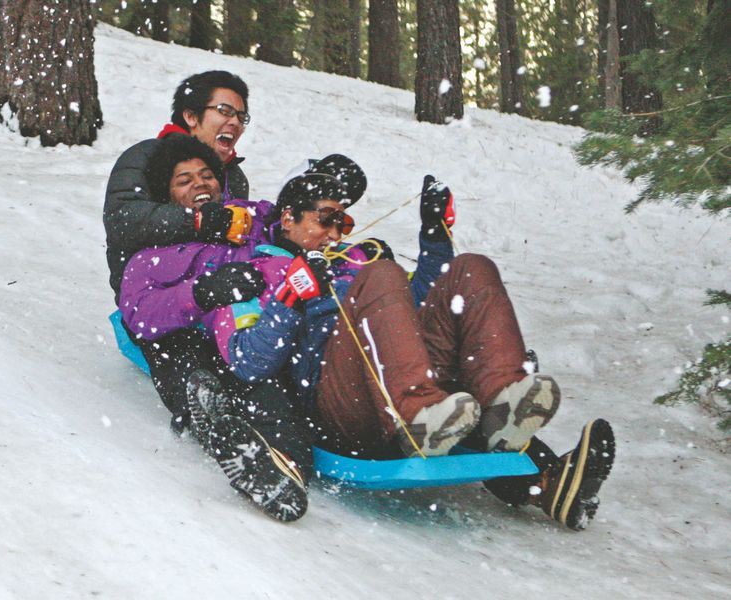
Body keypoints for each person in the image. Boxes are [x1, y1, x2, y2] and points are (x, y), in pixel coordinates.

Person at [209, 168, 616, 531]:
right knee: (382, 274)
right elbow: (246, 363)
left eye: (343, 220)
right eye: (326, 219)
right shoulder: (255, 270)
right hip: (339, 401)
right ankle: (418, 415)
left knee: (471, 269)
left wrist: (435, 237)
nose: (336, 232)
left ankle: (501, 405)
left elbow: (424, 302)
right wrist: (290, 296)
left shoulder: (354, 263)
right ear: (288, 218)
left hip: (406, 378)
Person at [118, 139, 370, 522]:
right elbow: (138, 311)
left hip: (271, 321)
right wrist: (202, 292)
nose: (200, 185)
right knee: (242, 378)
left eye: (206, 176)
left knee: (274, 365)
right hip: (215, 333)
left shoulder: (253, 221)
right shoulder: (160, 251)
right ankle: (275, 462)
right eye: (184, 180)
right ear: (168, 196)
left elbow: (298, 219)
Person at [104, 70, 253, 303]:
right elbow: (123, 219)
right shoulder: (144, 156)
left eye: (241, 117)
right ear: (191, 116)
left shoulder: (232, 175)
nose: (235, 122)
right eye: (224, 111)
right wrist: (197, 221)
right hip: (150, 298)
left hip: (215, 292)